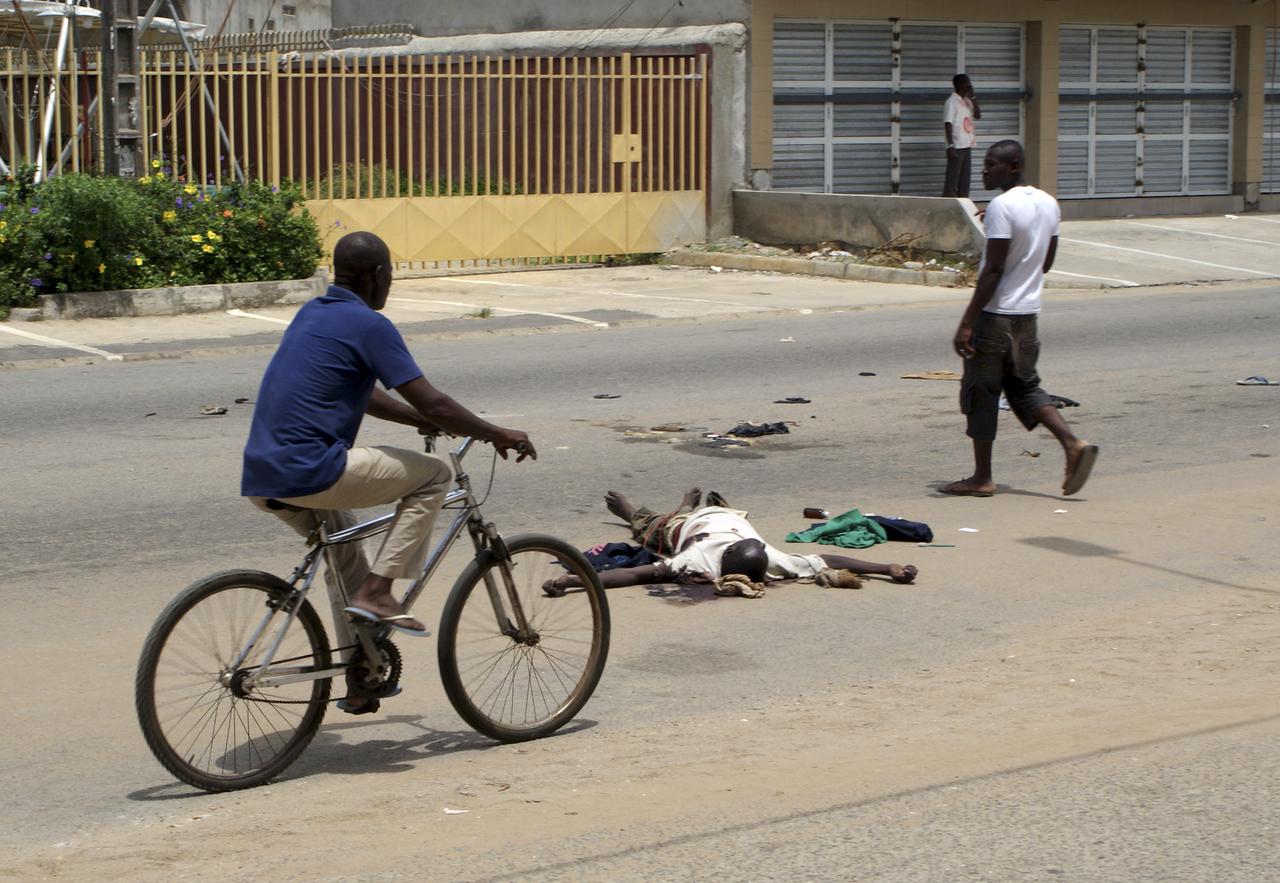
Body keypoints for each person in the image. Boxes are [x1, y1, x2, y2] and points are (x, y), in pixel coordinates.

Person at [242, 230, 536, 652]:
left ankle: (358, 668)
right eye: (391, 275)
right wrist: (496, 433)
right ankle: (379, 592)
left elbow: (366, 396)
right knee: (435, 475)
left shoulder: (313, 313)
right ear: (377, 276)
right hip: (313, 470)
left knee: (343, 549)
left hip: (261, 474)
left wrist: (418, 420)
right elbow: (433, 400)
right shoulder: (369, 324)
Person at [944, 140, 1098, 498]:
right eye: (984, 164)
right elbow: (1045, 260)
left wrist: (967, 321)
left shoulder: (1002, 205)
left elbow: (994, 268)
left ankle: (982, 477)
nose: (984, 170)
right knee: (1025, 386)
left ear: (1013, 167)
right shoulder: (1048, 202)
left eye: (991, 165)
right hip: (1028, 316)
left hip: (995, 317)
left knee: (981, 393)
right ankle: (1072, 444)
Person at [543, 489, 918, 595]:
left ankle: (650, 511)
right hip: (720, 518)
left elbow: (639, 574)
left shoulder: (698, 561)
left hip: (691, 527)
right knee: (667, 519)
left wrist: (574, 582)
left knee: (653, 528)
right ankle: (685, 504)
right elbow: (827, 559)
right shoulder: (765, 558)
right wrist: (886, 567)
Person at [943, 74, 981, 198]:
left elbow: (978, 115)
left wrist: (973, 97)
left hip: (967, 145)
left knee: (965, 181)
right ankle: (948, 206)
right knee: (952, 181)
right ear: (960, 85)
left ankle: (963, 204)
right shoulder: (951, 102)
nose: (970, 86)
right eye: (967, 83)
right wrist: (950, 145)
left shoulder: (967, 101)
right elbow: (948, 123)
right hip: (957, 147)